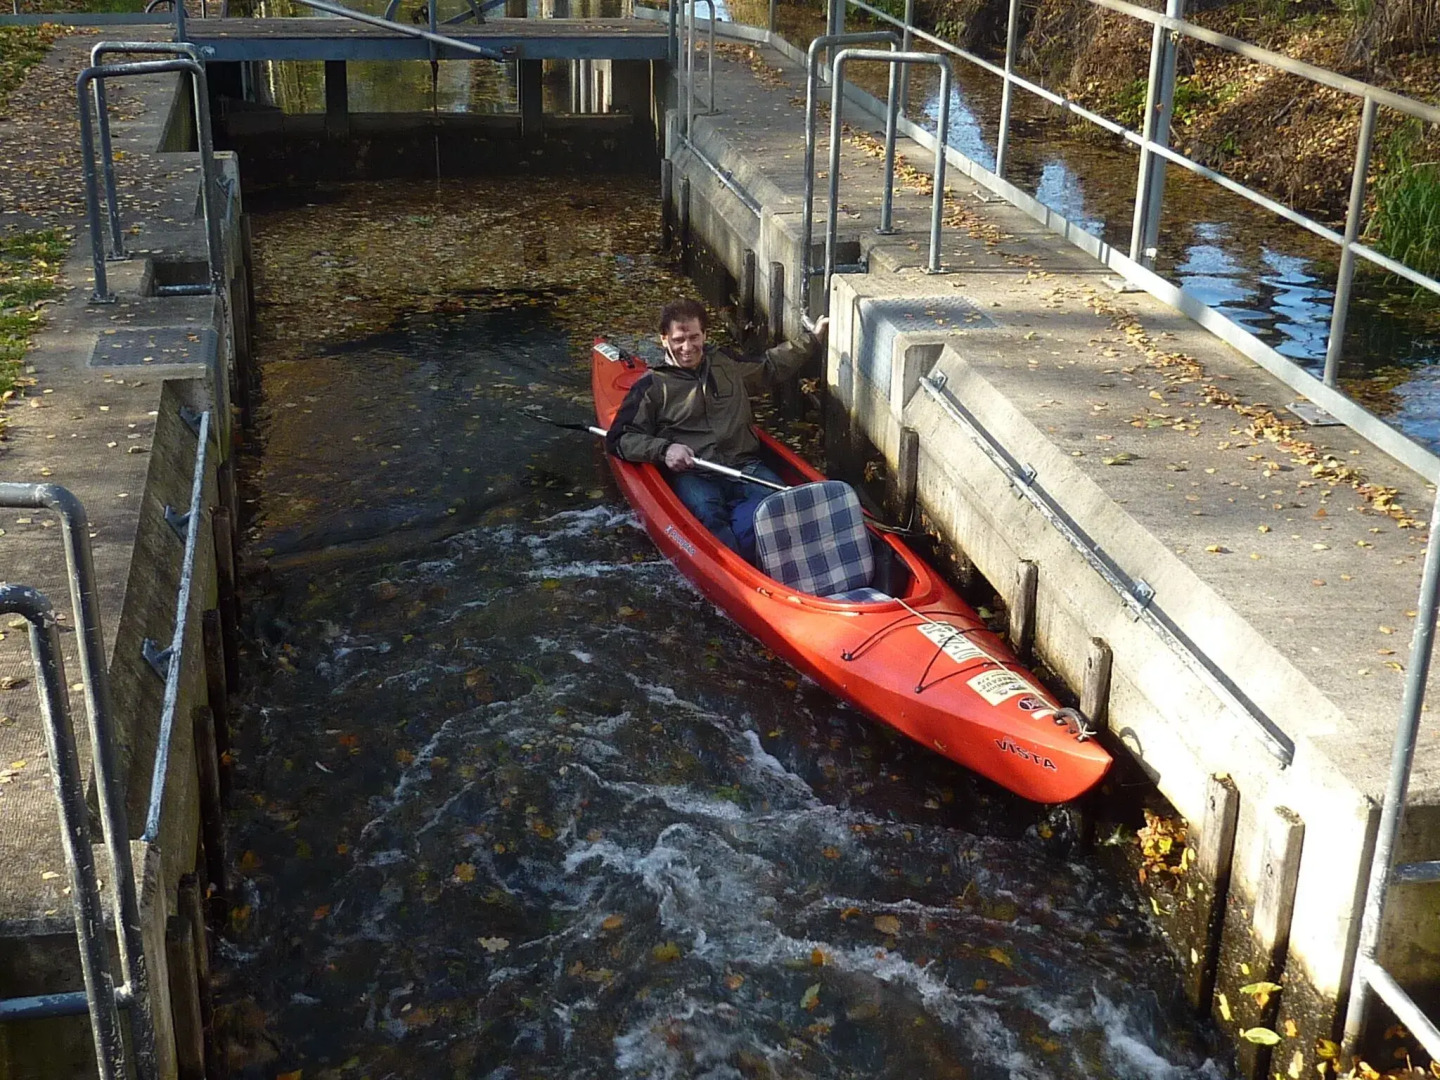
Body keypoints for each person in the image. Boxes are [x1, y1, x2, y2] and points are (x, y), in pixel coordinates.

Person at [607, 298, 829, 563]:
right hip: (695, 473)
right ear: (664, 339)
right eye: (678, 340)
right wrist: (665, 450)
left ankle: (774, 559)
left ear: (705, 335)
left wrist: (813, 339)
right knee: (708, 515)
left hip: (744, 464)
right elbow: (619, 439)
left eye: (694, 337)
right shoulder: (651, 387)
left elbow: (770, 365)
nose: (687, 347)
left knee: (783, 508)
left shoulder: (725, 363)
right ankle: (740, 571)